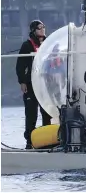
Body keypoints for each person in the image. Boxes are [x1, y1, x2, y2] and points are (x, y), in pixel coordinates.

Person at [16, 19, 52, 149]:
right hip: (31, 84)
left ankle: (47, 140)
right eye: (39, 28)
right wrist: (22, 82)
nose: (42, 29)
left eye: (43, 27)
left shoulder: (49, 43)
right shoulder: (27, 45)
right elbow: (20, 65)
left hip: (45, 83)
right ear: (33, 31)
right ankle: (30, 141)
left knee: (47, 112)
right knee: (31, 113)